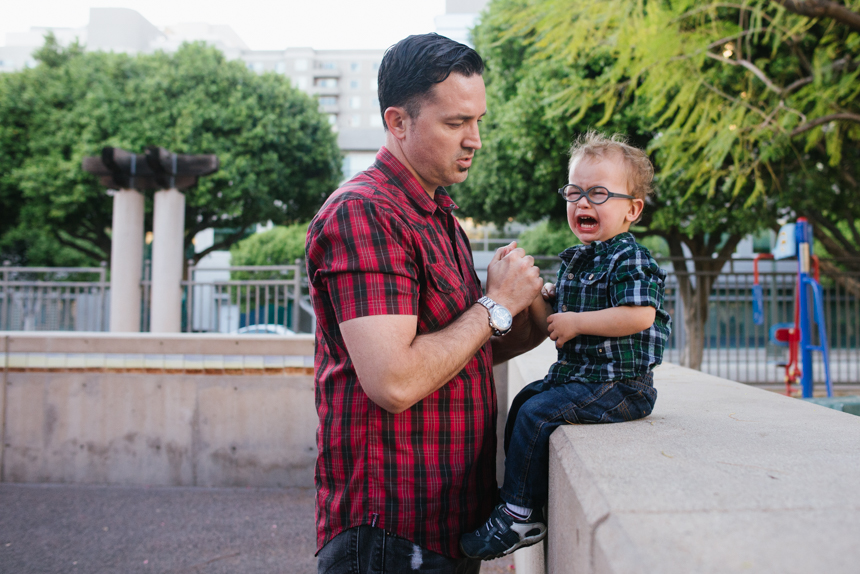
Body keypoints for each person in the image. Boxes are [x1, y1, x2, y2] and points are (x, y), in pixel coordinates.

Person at [306, 34, 545, 574]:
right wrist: (493, 304)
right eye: (456, 123)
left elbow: (468, 349)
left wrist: (525, 304)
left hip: (449, 520)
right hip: (392, 527)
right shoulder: (364, 213)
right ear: (398, 122)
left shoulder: (437, 215)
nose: (475, 139)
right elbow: (395, 381)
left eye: (478, 121)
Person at [460, 131, 672, 560]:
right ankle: (515, 498)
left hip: (621, 386)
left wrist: (577, 321)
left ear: (632, 209)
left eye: (598, 193)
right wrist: (528, 291)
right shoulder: (577, 258)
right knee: (524, 402)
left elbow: (639, 315)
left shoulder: (629, 257)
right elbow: (552, 326)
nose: (583, 203)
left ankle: (520, 515)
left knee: (538, 413)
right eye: (574, 192)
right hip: (580, 378)